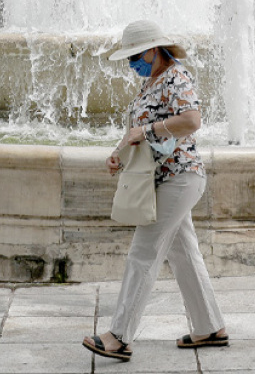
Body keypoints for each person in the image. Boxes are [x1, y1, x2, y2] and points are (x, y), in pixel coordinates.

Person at [82, 20, 227, 363]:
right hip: (165, 178)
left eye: (136, 56)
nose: (132, 63)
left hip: (180, 176)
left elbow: (192, 121)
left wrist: (149, 128)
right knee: (183, 254)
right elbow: (137, 131)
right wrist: (118, 153)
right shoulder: (153, 81)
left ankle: (119, 336)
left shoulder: (177, 77)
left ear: (154, 49)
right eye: (130, 58)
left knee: (143, 252)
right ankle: (209, 328)